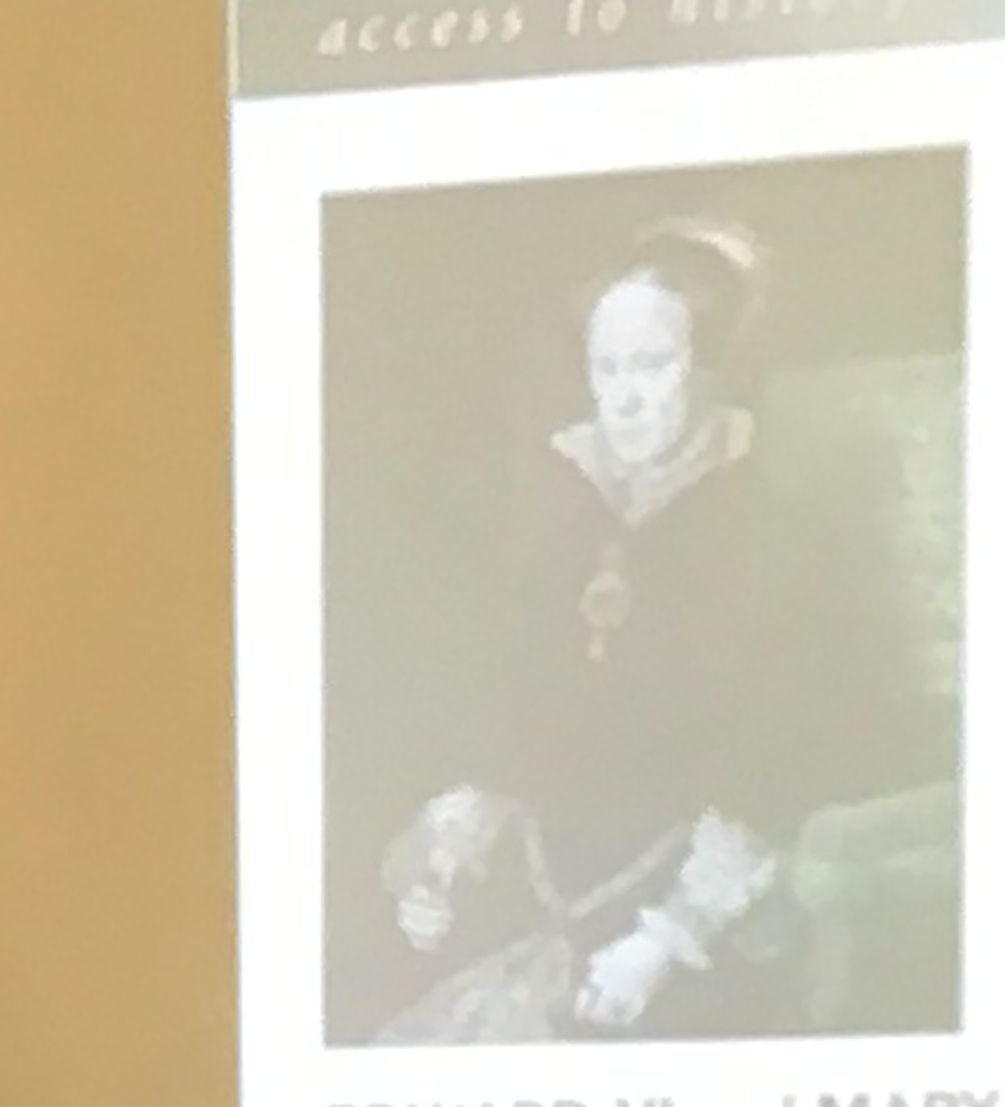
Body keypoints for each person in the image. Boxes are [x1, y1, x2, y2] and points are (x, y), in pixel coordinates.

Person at [375, 216, 922, 1045]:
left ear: (706, 368)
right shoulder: (557, 524)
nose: (624, 397)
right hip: (545, 894)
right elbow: (510, 718)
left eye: (653, 365)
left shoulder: (778, 537)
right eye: (607, 368)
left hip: (695, 933)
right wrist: (442, 870)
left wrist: (665, 941)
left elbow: (796, 760)